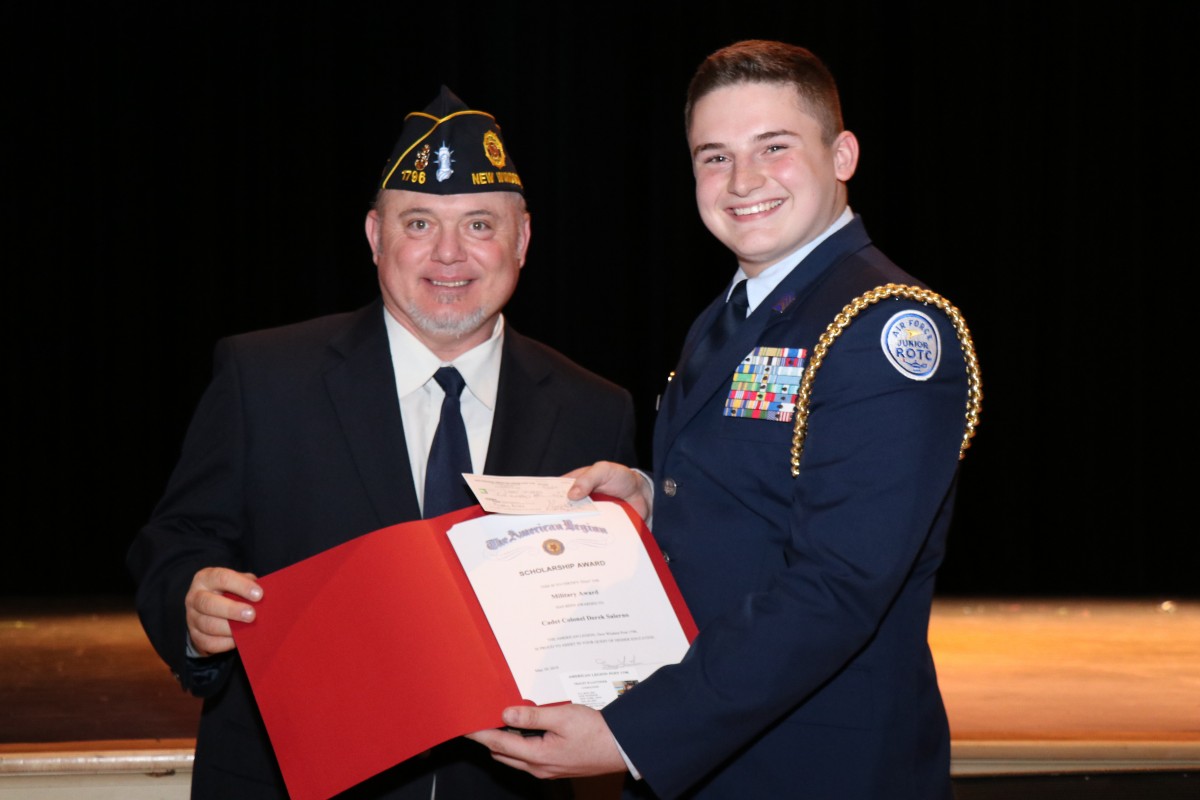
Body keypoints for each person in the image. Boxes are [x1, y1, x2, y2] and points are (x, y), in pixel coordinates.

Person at [467, 40, 981, 799]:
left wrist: (632, 733)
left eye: (773, 147)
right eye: (714, 157)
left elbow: (837, 586)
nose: (742, 182)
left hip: (815, 767)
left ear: (842, 154)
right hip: (722, 751)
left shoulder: (885, 327)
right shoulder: (739, 311)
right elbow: (757, 498)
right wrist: (647, 494)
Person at [127, 85, 638, 799]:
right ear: (375, 236)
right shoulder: (266, 378)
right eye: (420, 222)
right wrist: (191, 600)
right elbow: (178, 536)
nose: (450, 254)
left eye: (481, 224)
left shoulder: (594, 410)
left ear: (522, 240)